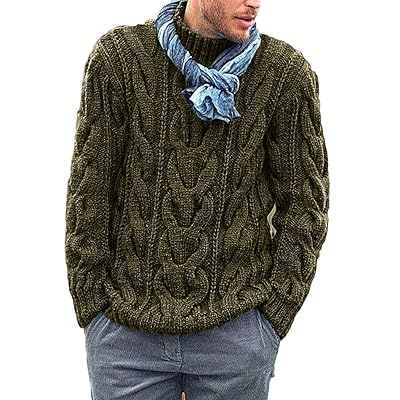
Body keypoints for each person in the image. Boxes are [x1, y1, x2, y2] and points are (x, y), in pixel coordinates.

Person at [64, 0, 330, 398]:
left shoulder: (284, 72)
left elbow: (306, 203)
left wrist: (273, 317)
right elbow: (90, 189)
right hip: (126, 340)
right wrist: (93, 307)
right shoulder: (118, 58)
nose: (255, 3)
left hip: (236, 338)